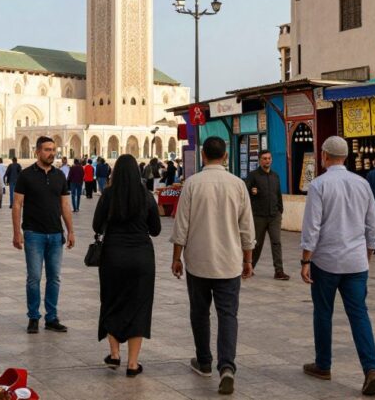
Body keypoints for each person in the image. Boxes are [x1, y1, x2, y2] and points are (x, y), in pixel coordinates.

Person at [170, 136, 255, 396]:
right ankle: (227, 366)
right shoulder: (238, 185)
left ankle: (204, 361)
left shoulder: (193, 184)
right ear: (226, 156)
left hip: (198, 261)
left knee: (200, 312)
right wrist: (248, 259)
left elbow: (181, 225)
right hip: (229, 263)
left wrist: (176, 257)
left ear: (203, 156)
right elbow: (246, 227)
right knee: (228, 315)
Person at [300, 136, 375, 396]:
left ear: (324, 155)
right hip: (356, 261)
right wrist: (367, 253)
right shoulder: (362, 184)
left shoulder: (319, 185)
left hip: (326, 261)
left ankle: (323, 364)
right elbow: (373, 226)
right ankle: (371, 368)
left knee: (323, 312)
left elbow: (312, 227)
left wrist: (305, 259)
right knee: (359, 315)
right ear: (345, 156)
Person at [94, 154, 162, 378]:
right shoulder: (146, 196)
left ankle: (114, 354)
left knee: (112, 301)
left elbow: (97, 225)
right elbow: (156, 229)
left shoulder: (108, 195)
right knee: (139, 306)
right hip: (141, 257)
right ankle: (133, 364)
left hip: (113, 256)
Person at [13, 136, 75, 334]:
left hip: (55, 235)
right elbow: (17, 205)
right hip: (34, 234)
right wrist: (17, 232)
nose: (51, 153)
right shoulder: (26, 175)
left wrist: (70, 230)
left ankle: (51, 317)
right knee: (34, 278)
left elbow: (65, 205)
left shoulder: (59, 176)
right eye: (47, 149)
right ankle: (33, 317)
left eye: (53, 149)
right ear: (37, 152)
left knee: (54, 277)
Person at [245, 150, 288, 280]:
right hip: (259, 216)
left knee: (276, 242)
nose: (267, 161)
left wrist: (280, 209)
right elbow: (245, 193)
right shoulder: (253, 176)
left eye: (269, 158)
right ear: (259, 160)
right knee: (257, 244)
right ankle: (249, 267)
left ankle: (279, 271)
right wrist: (251, 192)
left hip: (274, 215)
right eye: (264, 158)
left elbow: (278, 194)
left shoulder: (275, 176)